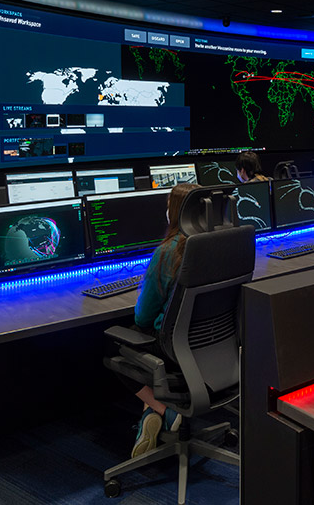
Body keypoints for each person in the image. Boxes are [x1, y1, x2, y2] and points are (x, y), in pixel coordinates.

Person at [124, 182, 197, 457]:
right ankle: (149, 416)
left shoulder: (168, 251)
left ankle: (165, 412)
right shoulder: (219, 242)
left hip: (171, 346)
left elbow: (143, 316)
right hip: (209, 345)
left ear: (174, 213)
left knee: (117, 343)